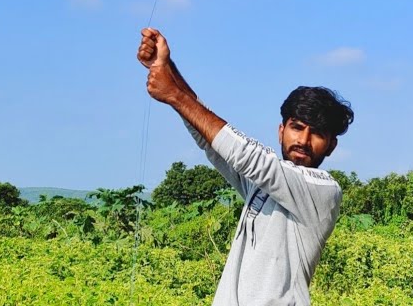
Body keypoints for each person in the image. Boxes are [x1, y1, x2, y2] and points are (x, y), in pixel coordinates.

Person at [137, 27, 355, 305]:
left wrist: (174, 95)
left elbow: (250, 157)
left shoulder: (322, 190)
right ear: (281, 131)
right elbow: (213, 141)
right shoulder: (265, 184)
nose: (303, 140)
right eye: (296, 127)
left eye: (318, 133)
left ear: (331, 145)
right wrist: (167, 67)